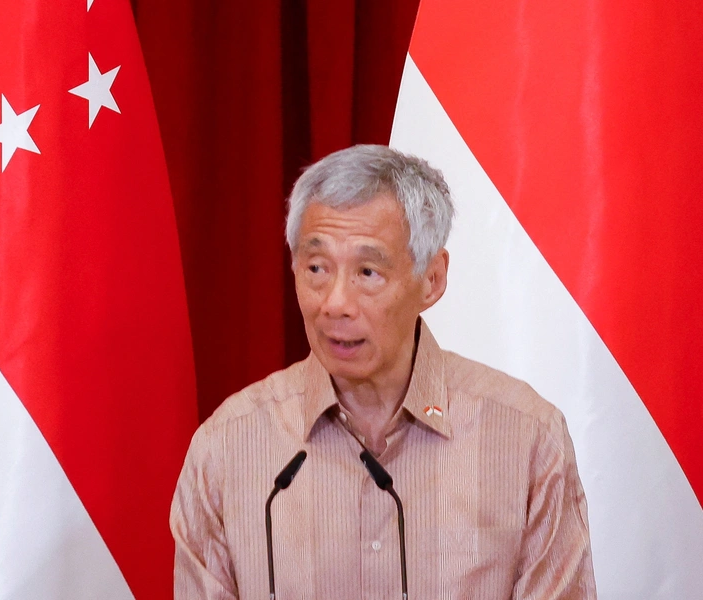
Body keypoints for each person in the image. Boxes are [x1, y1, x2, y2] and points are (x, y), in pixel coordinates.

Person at [171, 145, 596, 599]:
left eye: (368, 272)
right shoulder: (227, 449)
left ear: (431, 280)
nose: (334, 303)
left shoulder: (525, 438)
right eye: (316, 268)